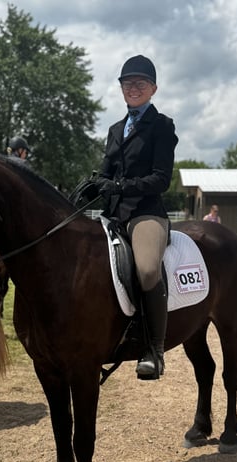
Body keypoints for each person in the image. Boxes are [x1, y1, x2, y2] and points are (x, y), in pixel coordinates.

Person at [96, 55, 178, 379]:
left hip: (145, 213)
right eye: (127, 83)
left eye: (140, 83)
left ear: (153, 88)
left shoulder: (162, 126)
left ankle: (154, 350)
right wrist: (93, 186)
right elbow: (106, 172)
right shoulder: (115, 129)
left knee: (146, 269)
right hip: (114, 214)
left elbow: (161, 179)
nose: (133, 87)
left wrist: (119, 186)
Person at [0, 135, 31, 316]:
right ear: (20, 151)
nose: (26, 155)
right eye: (25, 152)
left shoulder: (0, 165)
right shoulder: (23, 166)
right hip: (19, 225)